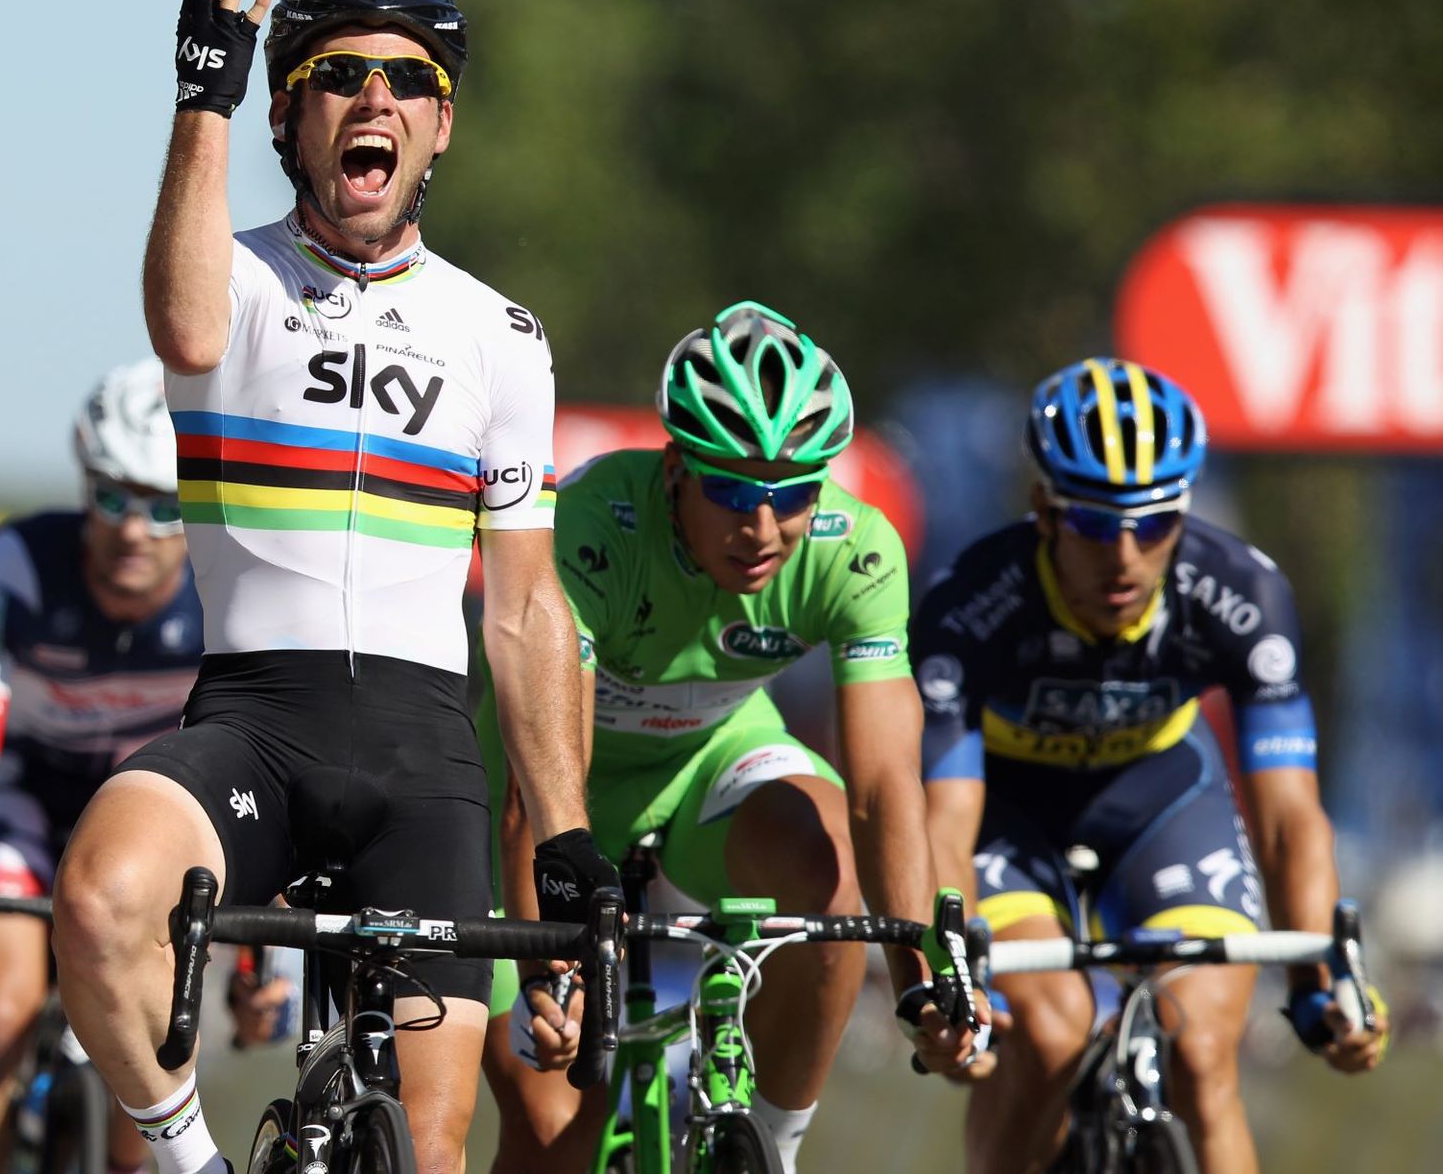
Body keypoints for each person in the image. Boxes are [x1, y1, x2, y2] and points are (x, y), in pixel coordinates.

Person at [51, 0, 615, 1174]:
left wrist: (565, 835)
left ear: (441, 126)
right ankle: (192, 1160)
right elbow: (182, 325)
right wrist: (202, 99)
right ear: (289, 117)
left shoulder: (501, 336)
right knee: (97, 894)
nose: (376, 98)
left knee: (433, 1140)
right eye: (339, 75)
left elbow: (524, 608)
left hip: (422, 759)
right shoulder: (236, 278)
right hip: (255, 727)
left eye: (408, 80)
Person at [479, 302, 983, 1173]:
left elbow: (882, 789)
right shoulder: (594, 524)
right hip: (547, 798)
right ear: (676, 467)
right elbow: (538, 783)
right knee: (555, 1132)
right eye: (733, 494)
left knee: (830, 864)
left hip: (707, 767)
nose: (762, 527)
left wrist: (919, 982)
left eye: (792, 496)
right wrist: (548, 974)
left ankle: (772, 1151)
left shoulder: (855, 550)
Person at [915, 358, 1390, 1174]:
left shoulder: (1241, 593)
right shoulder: (970, 604)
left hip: (1162, 805)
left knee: (1201, 1053)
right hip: (1008, 816)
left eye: (1157, 522)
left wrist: (1322, 979)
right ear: (1043, 509)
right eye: (1095, 525)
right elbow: (946, 821)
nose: (1127, 556)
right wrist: (954, 975)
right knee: (1051, 1034)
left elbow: (1289, 818)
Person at [0, 359, 204, 1174]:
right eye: (111, 498)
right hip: (25, 806)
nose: (133, 530)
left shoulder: (228, 584)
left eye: (164, 507)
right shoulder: (12, 571)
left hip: (145, 815)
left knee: (151, 1053)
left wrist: (258, 963)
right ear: (83, 484)